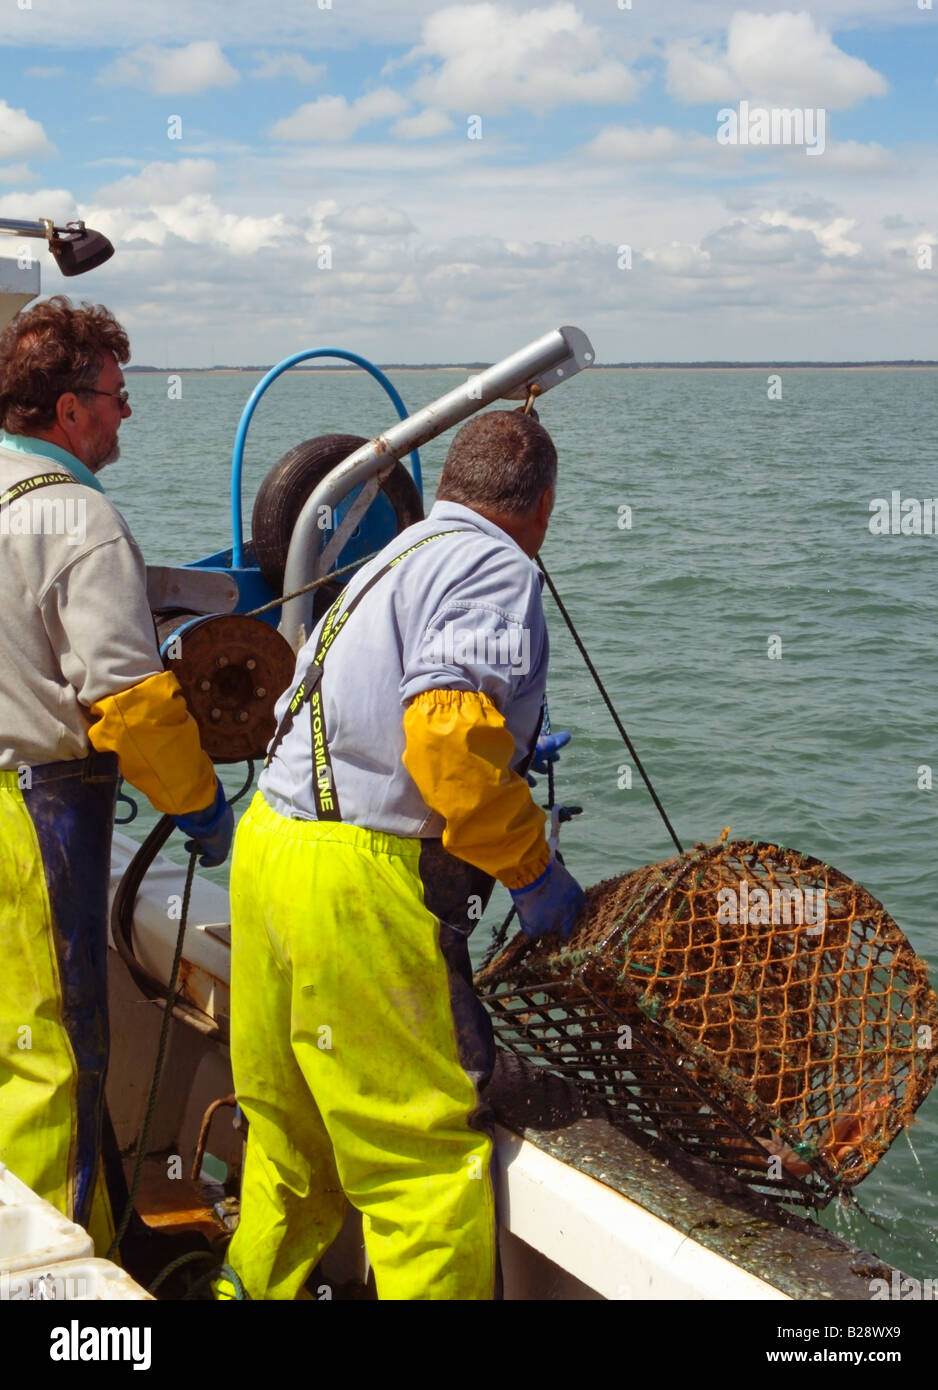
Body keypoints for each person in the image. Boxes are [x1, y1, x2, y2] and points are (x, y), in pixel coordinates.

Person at [218, 407, 586, 1301]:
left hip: (269, 852)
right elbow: (447, 738)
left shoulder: (392, 554)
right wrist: (532, 870)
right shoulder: (498, 563)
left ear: (451, 488)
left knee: (288, 1134)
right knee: (420, 1163)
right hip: (359, 884)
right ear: (538, 505)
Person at [0, 296, 234, 1259]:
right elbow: (130, 702)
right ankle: (54, 1287)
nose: (127, 412)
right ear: (67, 412)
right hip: (34, 813)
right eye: (115, 395)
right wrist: (202, 805)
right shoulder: (79, 521)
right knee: (52, 1054)